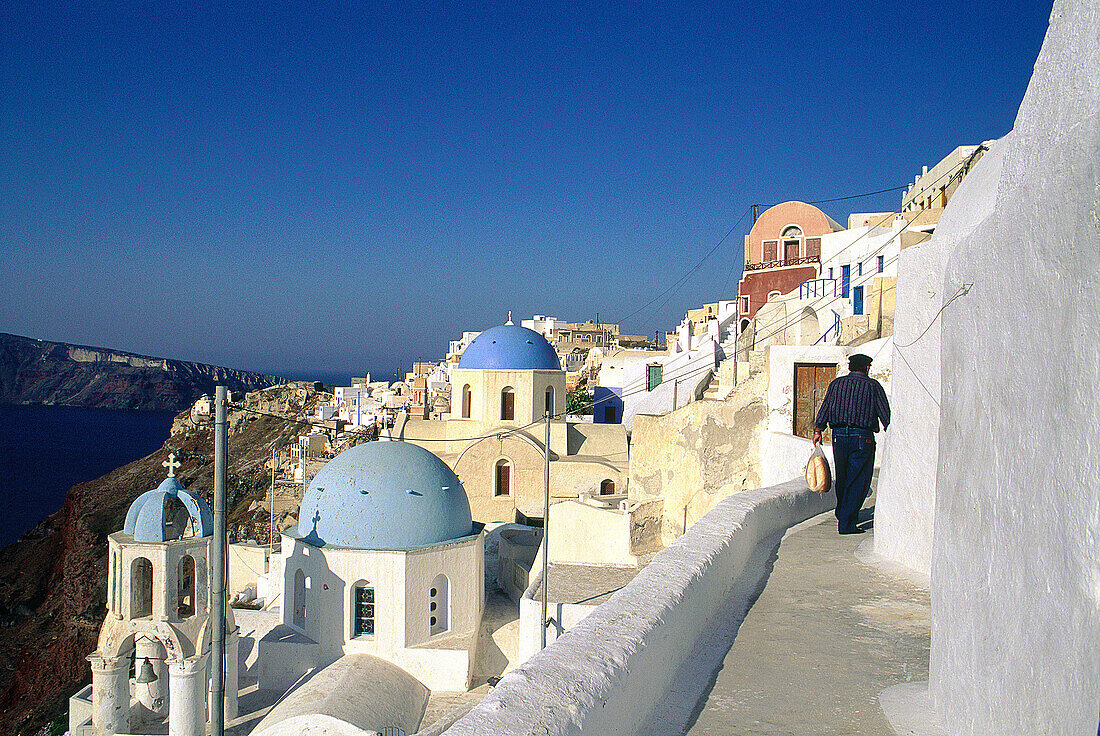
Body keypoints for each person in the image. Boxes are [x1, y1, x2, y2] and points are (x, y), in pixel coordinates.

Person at [812, 353, 890, 535]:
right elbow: (886, 415)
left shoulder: (836, 385)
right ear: (867, 368)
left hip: (839, 436)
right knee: (859, 480)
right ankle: (847, 523)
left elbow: (826, 408)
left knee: (844, 477)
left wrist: (818, 430)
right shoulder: (873, 386)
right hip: (863, 438)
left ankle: (842, 513)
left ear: (850, 367)